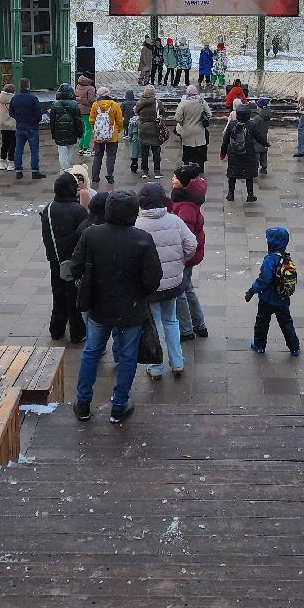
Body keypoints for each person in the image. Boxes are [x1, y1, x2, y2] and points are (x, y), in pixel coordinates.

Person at [70, 190, 162, 424]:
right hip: (130, 309)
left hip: (99, 306)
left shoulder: (92, 234)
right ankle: (119, 405)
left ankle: (83, 403)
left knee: (91, 351)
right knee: (127, 355)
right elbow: (152, 280)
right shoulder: (142, 239)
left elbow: (75, 267)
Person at [136, 181, 196, 379]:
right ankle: (177, 362)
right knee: (171, 321)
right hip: (173, 283)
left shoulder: (137, 224)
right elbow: (191, 245)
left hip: (149, 286)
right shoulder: (175, 221)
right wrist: (180, 261)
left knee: (154, 325)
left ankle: (155, 367)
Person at [40, 173, 90, 344]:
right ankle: (77, 332)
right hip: (74, 261)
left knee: (58, 294)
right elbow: (84, 238)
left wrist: (53, 255)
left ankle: (56, 329)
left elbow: (46, 236)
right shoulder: (78, 210)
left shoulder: (49, 208)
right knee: (74, 297)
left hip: (56, 260)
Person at [245, 226, 300, 356]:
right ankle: (294, 347)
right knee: (286, 323)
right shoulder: (286, 258)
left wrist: (252, 291)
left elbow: (264, 280)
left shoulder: (270, 260)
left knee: (262, 323)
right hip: (283, 299)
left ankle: (259, 345)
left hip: (267, 300)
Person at [169, 165, 209, 339]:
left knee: (179, 292)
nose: (172, 179)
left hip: (184, 256)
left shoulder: (185, 205)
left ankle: (186, 330)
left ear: (185, 183)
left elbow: (185, 235)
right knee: (188, 288)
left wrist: (180, 256)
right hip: (191, 255)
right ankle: (199, 325)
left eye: (176, 178)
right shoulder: (187, 198)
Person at [221, 104, 266, 203]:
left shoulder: (232, 124)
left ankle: (230, 194)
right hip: (248, 154)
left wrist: (223, 152)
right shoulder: (251, 125)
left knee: (232, 174)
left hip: (233, 154)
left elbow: (226, 139)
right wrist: (266, 144)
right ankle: (250, 195)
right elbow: (259, 137)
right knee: (248, 175)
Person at [88, 87, 125, 185]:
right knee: (111, 156)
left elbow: (91, 120)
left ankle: (95, 177)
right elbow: (120, 120)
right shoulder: (115, 105)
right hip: (112, 136)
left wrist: (96, 129)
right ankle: (109, 175)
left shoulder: (95, 105)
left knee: (97, 156)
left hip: (99, 136)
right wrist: (118, 130)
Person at [9, 78, 44, 181]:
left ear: (20, 86)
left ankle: (18, 171)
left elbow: (11, 113)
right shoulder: (33, 98)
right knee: (34, 150)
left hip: (20, 127)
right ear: (28, 86)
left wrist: (19, 119)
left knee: (18, 150)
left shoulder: (15, 98)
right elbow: (38, 114)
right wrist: (35, 121)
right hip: (32, 127)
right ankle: (35, 171)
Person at [173, 85, 210, 171]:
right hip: (200, 131)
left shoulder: (183, 104)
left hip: (187, 131)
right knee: (200, 151)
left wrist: (183, 123)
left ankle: (186, 168)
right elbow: (209, 114)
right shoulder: (202, 102)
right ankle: (200, 169)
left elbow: (177, 118)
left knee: (187, 151)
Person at [48, 84, 83, 172]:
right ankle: (67, 169)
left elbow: (52, 121)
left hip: (59, 132)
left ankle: (64, 169)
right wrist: (80, 132)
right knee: (70, 151)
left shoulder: (55, 104)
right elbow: (78, 120)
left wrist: (53, 133)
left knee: (62, 152)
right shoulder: (74, 104)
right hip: (72, 131)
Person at [135, 85, 163, 177]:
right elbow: (162, 112)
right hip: (155, 128)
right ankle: (157, 171)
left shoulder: (140, 102)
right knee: (156, 151)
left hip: (143, 128)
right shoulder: (157, 103)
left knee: (144, 152)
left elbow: (136, 112)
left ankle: (145, 171)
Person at [0, 83, 17, 172]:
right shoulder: (15, 99)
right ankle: (11, 162)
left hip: (3, 125)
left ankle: (2, 162)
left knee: (4, 143)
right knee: (12, 144)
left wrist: (0, 118)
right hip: (13, 125)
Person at [74, 74, 98, 155]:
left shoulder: (78, 86)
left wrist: (81, 100)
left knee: (82, 129)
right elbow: (91, 100)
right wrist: (97, 98)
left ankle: (80, 147)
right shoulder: (90, 88)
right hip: (87, 111)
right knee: (89, 129)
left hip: (78, 110)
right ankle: (86, 148)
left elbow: (76, 97)